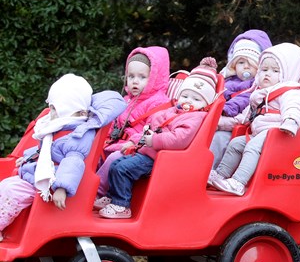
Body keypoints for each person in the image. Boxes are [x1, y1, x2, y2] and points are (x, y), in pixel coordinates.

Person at [0, 74, 126, 238]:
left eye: (54, 108)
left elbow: (73, 162)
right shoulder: (63, 127)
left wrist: (62, 188)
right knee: (6, 185)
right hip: (41, 174)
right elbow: (47, 149)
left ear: (70, 108)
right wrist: (28, 157)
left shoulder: (77, 135)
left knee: (12, 190)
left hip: (51, 183)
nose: (50, 112)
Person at [98, 58, 220, 219]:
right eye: (185, 96)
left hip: (159, 158)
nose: (188, 101)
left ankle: (121, 205)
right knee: (116, 164)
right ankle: (112, 197)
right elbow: (149, 129)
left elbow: (179, 139)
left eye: (196, 99)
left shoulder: (195, 117)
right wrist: (133, 141)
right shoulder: (171, 112)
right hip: (147, 151)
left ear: (206, 103)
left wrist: (154, 140)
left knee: (122, 169)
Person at [209, 43, 300, 196]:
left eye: (275, 71)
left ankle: (238, 182)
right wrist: (219, 123)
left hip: (277, 132)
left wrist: (290, 121)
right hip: (259, 132)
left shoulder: (290, 90)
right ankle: (220, 175)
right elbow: (243, 118)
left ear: (287, 73)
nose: (267, 74)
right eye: (264, 70)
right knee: (236, 143)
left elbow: (293, 107)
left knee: (252, 147)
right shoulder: (259, 93)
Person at [94, 47, 171, 209]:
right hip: (116, 142)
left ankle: (96, 192)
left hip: (137, 149)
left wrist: (133, 142)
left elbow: (153, 130)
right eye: (131, 76)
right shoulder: (127, 99)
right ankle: (81, 185)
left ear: (155, 78)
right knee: (93, 151)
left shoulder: (158, 103)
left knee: (114, 158)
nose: (135, 81)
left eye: (142, 77)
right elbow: (115, 123)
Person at [211, 30, 273, 167]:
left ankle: (207, 172)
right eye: (240, 62)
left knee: (219, 140)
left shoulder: (257, 84)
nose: (245, 66)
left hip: (239, 124)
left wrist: (226, 108)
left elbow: (245, 99)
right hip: (218, 117)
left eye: (250, 62)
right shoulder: (227, 81)